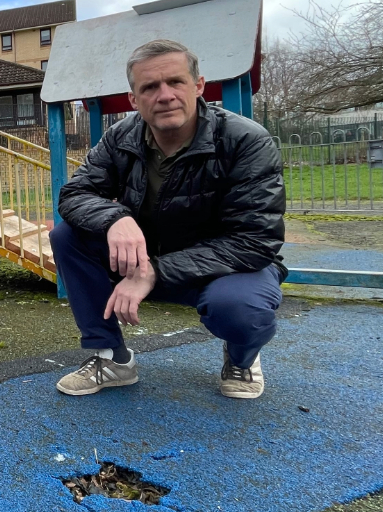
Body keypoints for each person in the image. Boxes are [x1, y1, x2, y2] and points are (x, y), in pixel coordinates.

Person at [50, 38, 286, 399]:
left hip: (227, 268)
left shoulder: (245, 141)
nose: (164, 95)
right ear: (134, 99)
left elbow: (254, 241)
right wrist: (115, 219)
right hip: (149, 256)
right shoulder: (121, 137)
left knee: (240, 309)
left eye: (175, 82)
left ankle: (241, 357)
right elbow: (74, 194)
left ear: (198, 86)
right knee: (68, 236)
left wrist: (153, 271)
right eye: (149, 87)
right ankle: (112, 358)